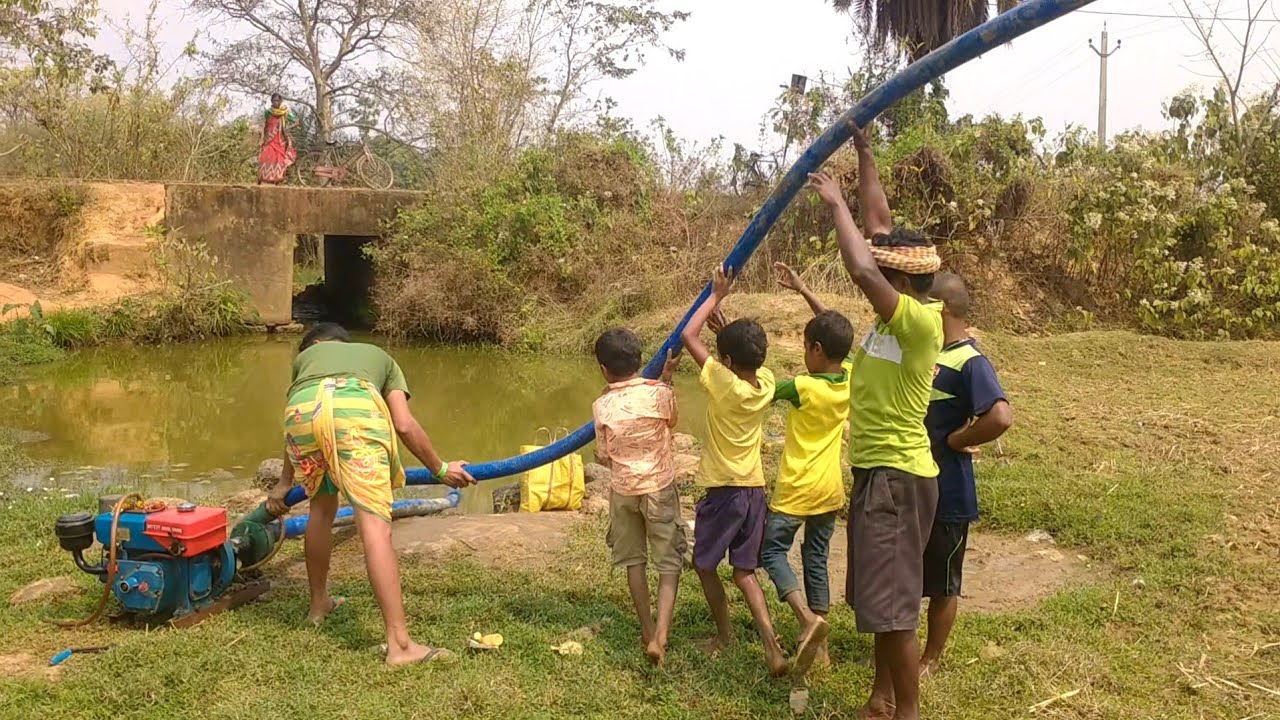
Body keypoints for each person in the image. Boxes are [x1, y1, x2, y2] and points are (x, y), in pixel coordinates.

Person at [808, 125, 943, 720]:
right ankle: (881, 698)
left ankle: (904, 712)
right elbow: (879, 223)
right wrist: (864, 154)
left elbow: (865, 268)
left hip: (897, 476)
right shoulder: (893, 316)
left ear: (904, 284)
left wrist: (835, 206)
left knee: (892, 612)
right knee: (882, 603)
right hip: (878, 476)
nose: (876, 279)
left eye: (888, 274)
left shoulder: (915, 323)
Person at [266, 322, 474, 666]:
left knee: (320, 510)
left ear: (316, 345)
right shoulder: (380, 357)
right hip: (356, 417)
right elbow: (404, 423)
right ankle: (401, 646)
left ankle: (318, 604)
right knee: (375, 527)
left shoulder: (306, 360)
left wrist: (285, 483)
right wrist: (440, 468)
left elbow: (303, 416)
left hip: (302, 419)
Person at [679, 266, 787, 677]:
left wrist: (716, 295)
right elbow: (733, 355)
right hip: (755, 490)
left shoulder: (726, 386)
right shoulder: (768, 383)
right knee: (745, 571)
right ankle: (771, 646)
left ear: (725, 361)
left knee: (705, 565)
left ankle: (724, 635)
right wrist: (724, 327)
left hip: (724, 490)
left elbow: (689, 336)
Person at [757, 261, 855, 675]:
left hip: (796, 489)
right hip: (830, 490)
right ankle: (823, 647)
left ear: (815, 350)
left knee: (771, 550)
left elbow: (758, 388)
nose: (804, 353)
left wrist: (733, 359)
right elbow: (836, 331)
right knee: (816, 557)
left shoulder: (801, 386)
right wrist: (803, 291)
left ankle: (806, 618)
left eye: (805, 346)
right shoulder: (850, 375)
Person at [919, 273, 1013, 677]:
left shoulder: (969, 361)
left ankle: (930, 658)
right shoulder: (929, 353)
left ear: (940, 309)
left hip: (949, 491)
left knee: (943, 582)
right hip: (915, 484)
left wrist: (958, 440)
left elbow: (1000, 415)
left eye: (923, 305)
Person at [591, 329, 685, 666]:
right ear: (640, 360)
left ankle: (646, 631)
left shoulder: (601, 405)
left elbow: (603, 455)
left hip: (624, 492)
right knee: (669, 562)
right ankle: (661, 636)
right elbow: (671, 421)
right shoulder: (660, 393)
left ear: (603, 369)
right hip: (659, 487)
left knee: (634, 561)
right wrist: (668, 378)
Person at [258, 93, 298, 185]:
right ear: (271, 101)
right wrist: (263, 138)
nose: (275, 102)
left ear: (280, 101)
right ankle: (263, 178)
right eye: (274, 100)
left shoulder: (285, 112)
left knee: (279, 159)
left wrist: (289, 128)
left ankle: (276, 179)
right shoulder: (268, 112)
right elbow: (265, 125)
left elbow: (296, 122)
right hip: (269, 138)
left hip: (280, 139)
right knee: (266, 157)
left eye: (277, 100)